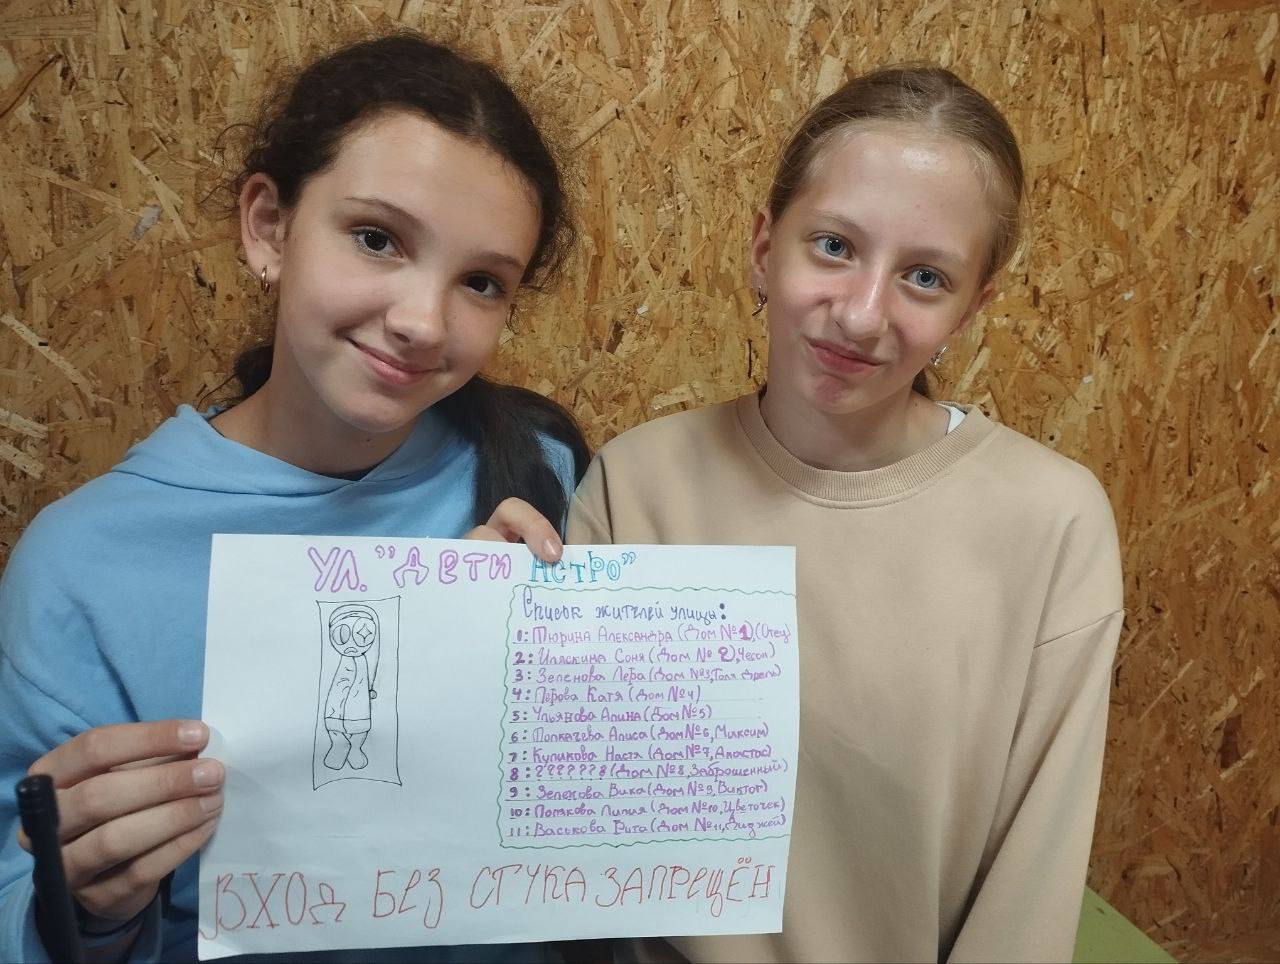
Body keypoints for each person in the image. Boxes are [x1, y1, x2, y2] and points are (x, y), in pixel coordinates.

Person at [0, 33, 589, 963]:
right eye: (376, 239)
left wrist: (551, 670)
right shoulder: (82, 566)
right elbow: (25, 904)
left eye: (481, 283)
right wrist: (90, 904)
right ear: (269, 228)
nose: (422, 321)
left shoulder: (542, 473)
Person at [568, 66, 1123, 963]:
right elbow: (566, 831)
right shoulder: (635, 485)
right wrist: (481, 624)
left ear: (973, 306)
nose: (863, 316)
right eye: (833, 246)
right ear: (764, 248)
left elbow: (1031, 886)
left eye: (925, 276)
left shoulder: (1053, 523)